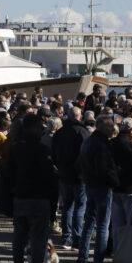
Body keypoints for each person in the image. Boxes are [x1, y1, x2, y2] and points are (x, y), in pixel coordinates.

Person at [7, 114, 57, 263]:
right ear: (34, 128)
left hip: (20, 197)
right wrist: (53, 208)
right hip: (39, 199)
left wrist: (9, 199)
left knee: (19, 236)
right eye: (39, 127)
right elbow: (51, 179)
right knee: (38, 238)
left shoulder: (15, 149)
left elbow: (8, 175)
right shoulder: (42, 150)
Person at [75, 116, 119, 263]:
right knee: (102, 225)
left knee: (89, 222)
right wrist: (115, 182)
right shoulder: (101, 144)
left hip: (90, 184)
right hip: (102, 186)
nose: (113, 130)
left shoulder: (88, 141)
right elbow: (104, 168)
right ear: (101, 127)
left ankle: (82, 257)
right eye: (110, 127)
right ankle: (98, 261)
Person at [51, 106, 89, 250]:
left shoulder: (59, 132)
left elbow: (54, 154)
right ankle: (76, 238)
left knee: (67, 206)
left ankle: (66, 237)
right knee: (80, 207)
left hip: (65, 173)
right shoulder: (82, 132)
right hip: (79, 175)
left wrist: (60, 166)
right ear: (80, 116)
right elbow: (87, 154)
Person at [109, 118, 132, 251]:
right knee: (131, 223)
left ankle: (118, 251)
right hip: (131, 188)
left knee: (117, 224)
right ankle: (130, 252)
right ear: (131, 130)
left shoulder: (111, 143)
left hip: (114, 188)